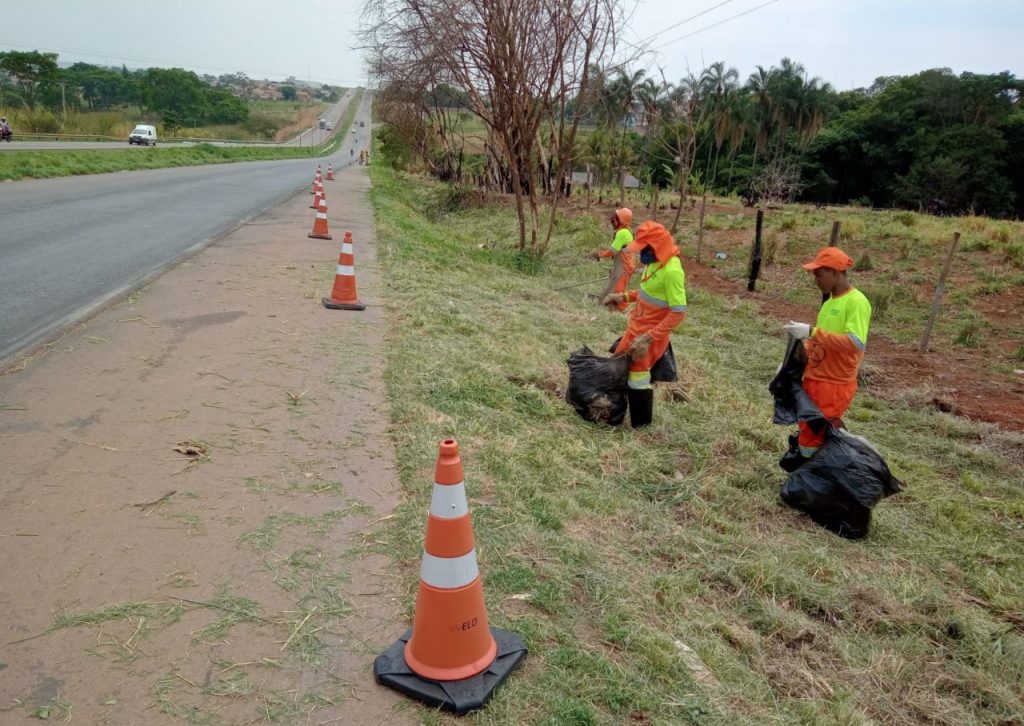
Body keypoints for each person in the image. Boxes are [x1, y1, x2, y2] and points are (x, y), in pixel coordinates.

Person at [781, 246, 872, 466]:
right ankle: (807, 482)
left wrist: (812, 331)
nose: (816, 280)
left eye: (819, 275)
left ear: (836, 272)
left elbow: (855, 342)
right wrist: (794, 366)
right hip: (816, 379)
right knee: (809, 430)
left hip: (834, 385)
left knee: (815, 435)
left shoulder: (856, 302)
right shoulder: (830, 302)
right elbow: (818, 344)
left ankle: (811, 482)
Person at [602, 221, 687, 428]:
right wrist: (622, 296)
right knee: (617, 364)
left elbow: (678, 312)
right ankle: (612, 415)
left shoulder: (672, 272)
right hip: (635, 328)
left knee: (637, 376)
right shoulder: (654, 264)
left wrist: (647, 338)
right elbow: (649, 294)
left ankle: (641, 426)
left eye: (644, 249)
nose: (641, 254)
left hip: (649, 337)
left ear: (657, 247)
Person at [591, 208, 635, 312]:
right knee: (609, 287)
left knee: (617, 293)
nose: (612, 221)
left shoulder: (623, 233)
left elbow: (613, 251)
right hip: (621, 265)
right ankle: (604, 305)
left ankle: (627, 313)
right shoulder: (625, 230)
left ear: (621, 221)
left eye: (615, 218)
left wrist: (599, 254)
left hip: (624, 267)